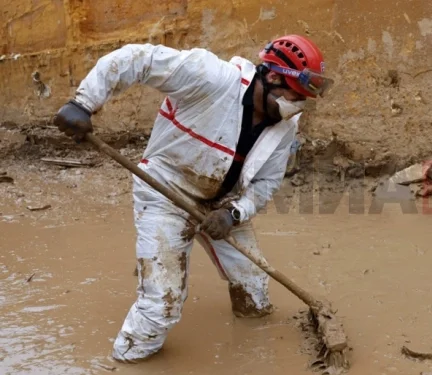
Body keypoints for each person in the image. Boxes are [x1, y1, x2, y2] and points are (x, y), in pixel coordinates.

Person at [52, 35, 333, 363]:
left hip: (222, 205)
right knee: (161, 307)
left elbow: (266, 184)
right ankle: (127, 360)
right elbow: (137, 59)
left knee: (254, 291)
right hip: (165, 192)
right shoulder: (211, 77)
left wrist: (233, 214)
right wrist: (84, 102)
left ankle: (251, 351)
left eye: (303, 100)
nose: (297, 106)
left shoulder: (285, 127)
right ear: (272, 77)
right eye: (294, 96)